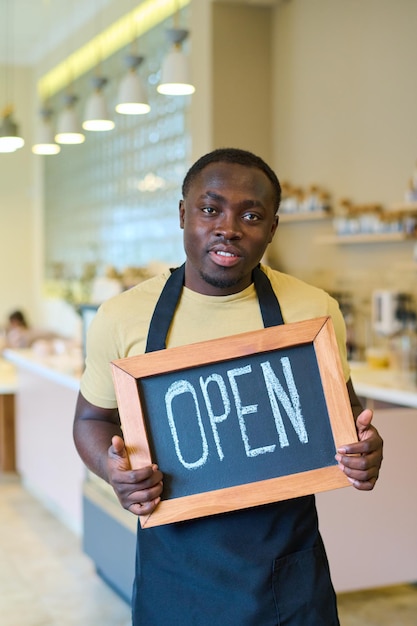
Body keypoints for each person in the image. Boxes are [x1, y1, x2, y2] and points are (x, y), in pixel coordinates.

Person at [73, 148, 383, 625]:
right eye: (210, 208)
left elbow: (346, 418)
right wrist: (113, 472)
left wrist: (363, 452)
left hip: (286, 578)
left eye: (251, 214)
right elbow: (91, 420)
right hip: (175, 576)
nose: (228, 227)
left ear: (272, 228)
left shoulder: (313, 311)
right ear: (182, 214)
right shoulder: (122, 317)